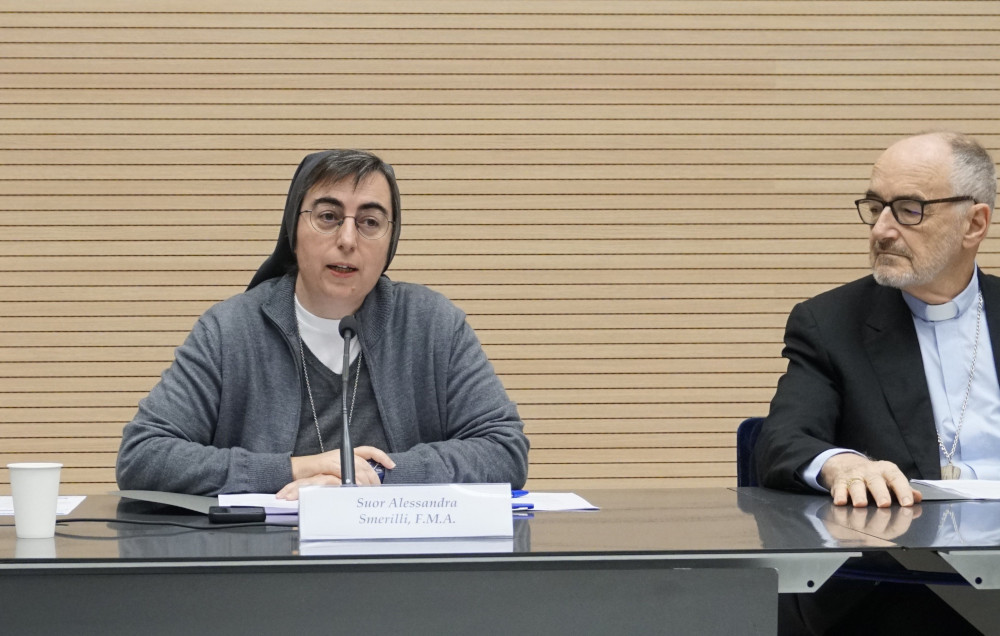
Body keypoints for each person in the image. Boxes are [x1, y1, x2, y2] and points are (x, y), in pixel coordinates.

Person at [116, 149, 529, 497]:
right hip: (265, 568)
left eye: (369, 222)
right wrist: (294, 469)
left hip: (402, 567)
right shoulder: (230, 331)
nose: (348, 240)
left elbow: (504, 451)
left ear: (390, 242)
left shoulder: (432, 325)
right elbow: (144, 455)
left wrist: (373, 478)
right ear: (293, 232)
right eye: (329, 216)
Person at [755, 132, 996, 635]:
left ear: (974, 223)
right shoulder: (830, 323)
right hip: (900, 585)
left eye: (909, 209)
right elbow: (784, 441)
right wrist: (840, 464)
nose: (882, 230)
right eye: (875, 206)